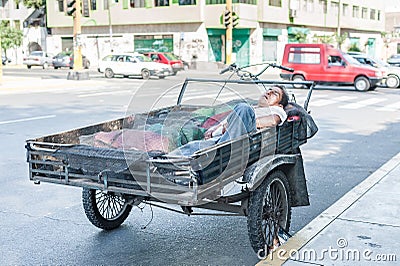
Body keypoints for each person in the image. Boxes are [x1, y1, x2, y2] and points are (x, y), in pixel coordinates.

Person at [168, 85, 289, 157]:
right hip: (222, 139)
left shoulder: (278, 111)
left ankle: (222, 149)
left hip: (243, 142)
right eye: (269, 90)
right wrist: (214, 128)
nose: (268, 92)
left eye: (275, 93)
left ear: (280, 105)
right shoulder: (252, 108)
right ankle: (164, 161)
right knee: (192, 146)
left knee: (243, 107)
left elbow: (273, 121)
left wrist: (239, 122)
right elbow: (227, 122)